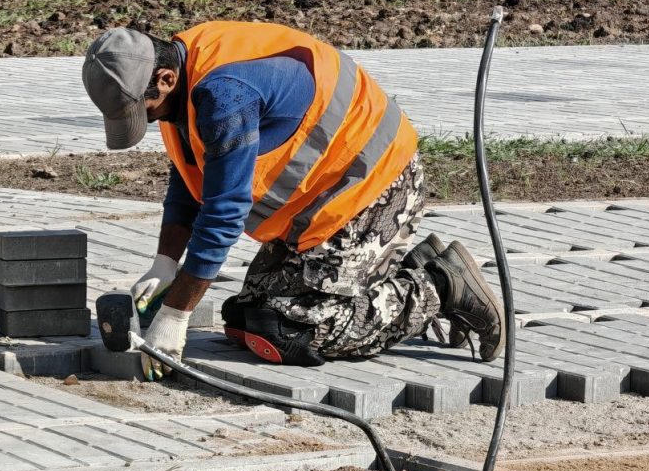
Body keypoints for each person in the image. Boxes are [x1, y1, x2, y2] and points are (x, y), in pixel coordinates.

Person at [80, 22, 504, 379]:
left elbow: (225, 213)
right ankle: (396, 269)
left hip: (373, 191)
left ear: (165, 79)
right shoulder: (181, 60)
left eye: (146, 110)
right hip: (323, 206)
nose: (150, 120)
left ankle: (441, 286)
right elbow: (189, 167)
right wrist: (166, 263)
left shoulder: (224, 96)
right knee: (247, 320)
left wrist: (175, 316)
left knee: (292, 333)